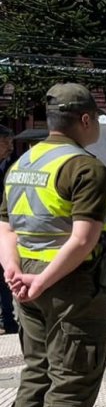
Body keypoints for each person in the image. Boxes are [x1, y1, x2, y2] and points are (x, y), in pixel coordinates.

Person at [1, 83, 106, 407]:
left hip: (25, 281)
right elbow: (84, 240)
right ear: (84, 119)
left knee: (38, 370)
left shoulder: (22, 163)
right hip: (70, 286)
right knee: (73, 375)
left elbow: (6, 227)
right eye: (97, 119)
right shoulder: (87, 168)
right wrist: (46, 280)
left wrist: (14, 272)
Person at [0, 125, 18, 334]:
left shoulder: (14, 166)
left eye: (12, 142)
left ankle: (7, 319)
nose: (10, 147)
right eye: (6, 142)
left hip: (6, 227)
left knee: (5, 274)